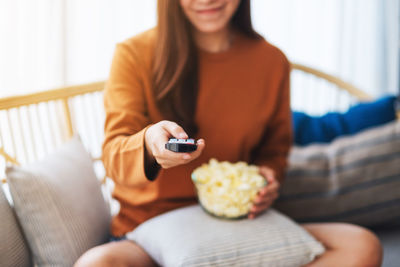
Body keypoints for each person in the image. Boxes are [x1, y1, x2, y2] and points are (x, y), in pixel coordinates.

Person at [74, 0, 382, 266]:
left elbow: (274, 150)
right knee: (95, 264)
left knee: (361, 246)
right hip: (148, 231)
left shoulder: (271, 61)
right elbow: (114, 155)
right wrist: (150, 145)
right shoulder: (134, 54)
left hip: (236, 225)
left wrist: (269, 176)